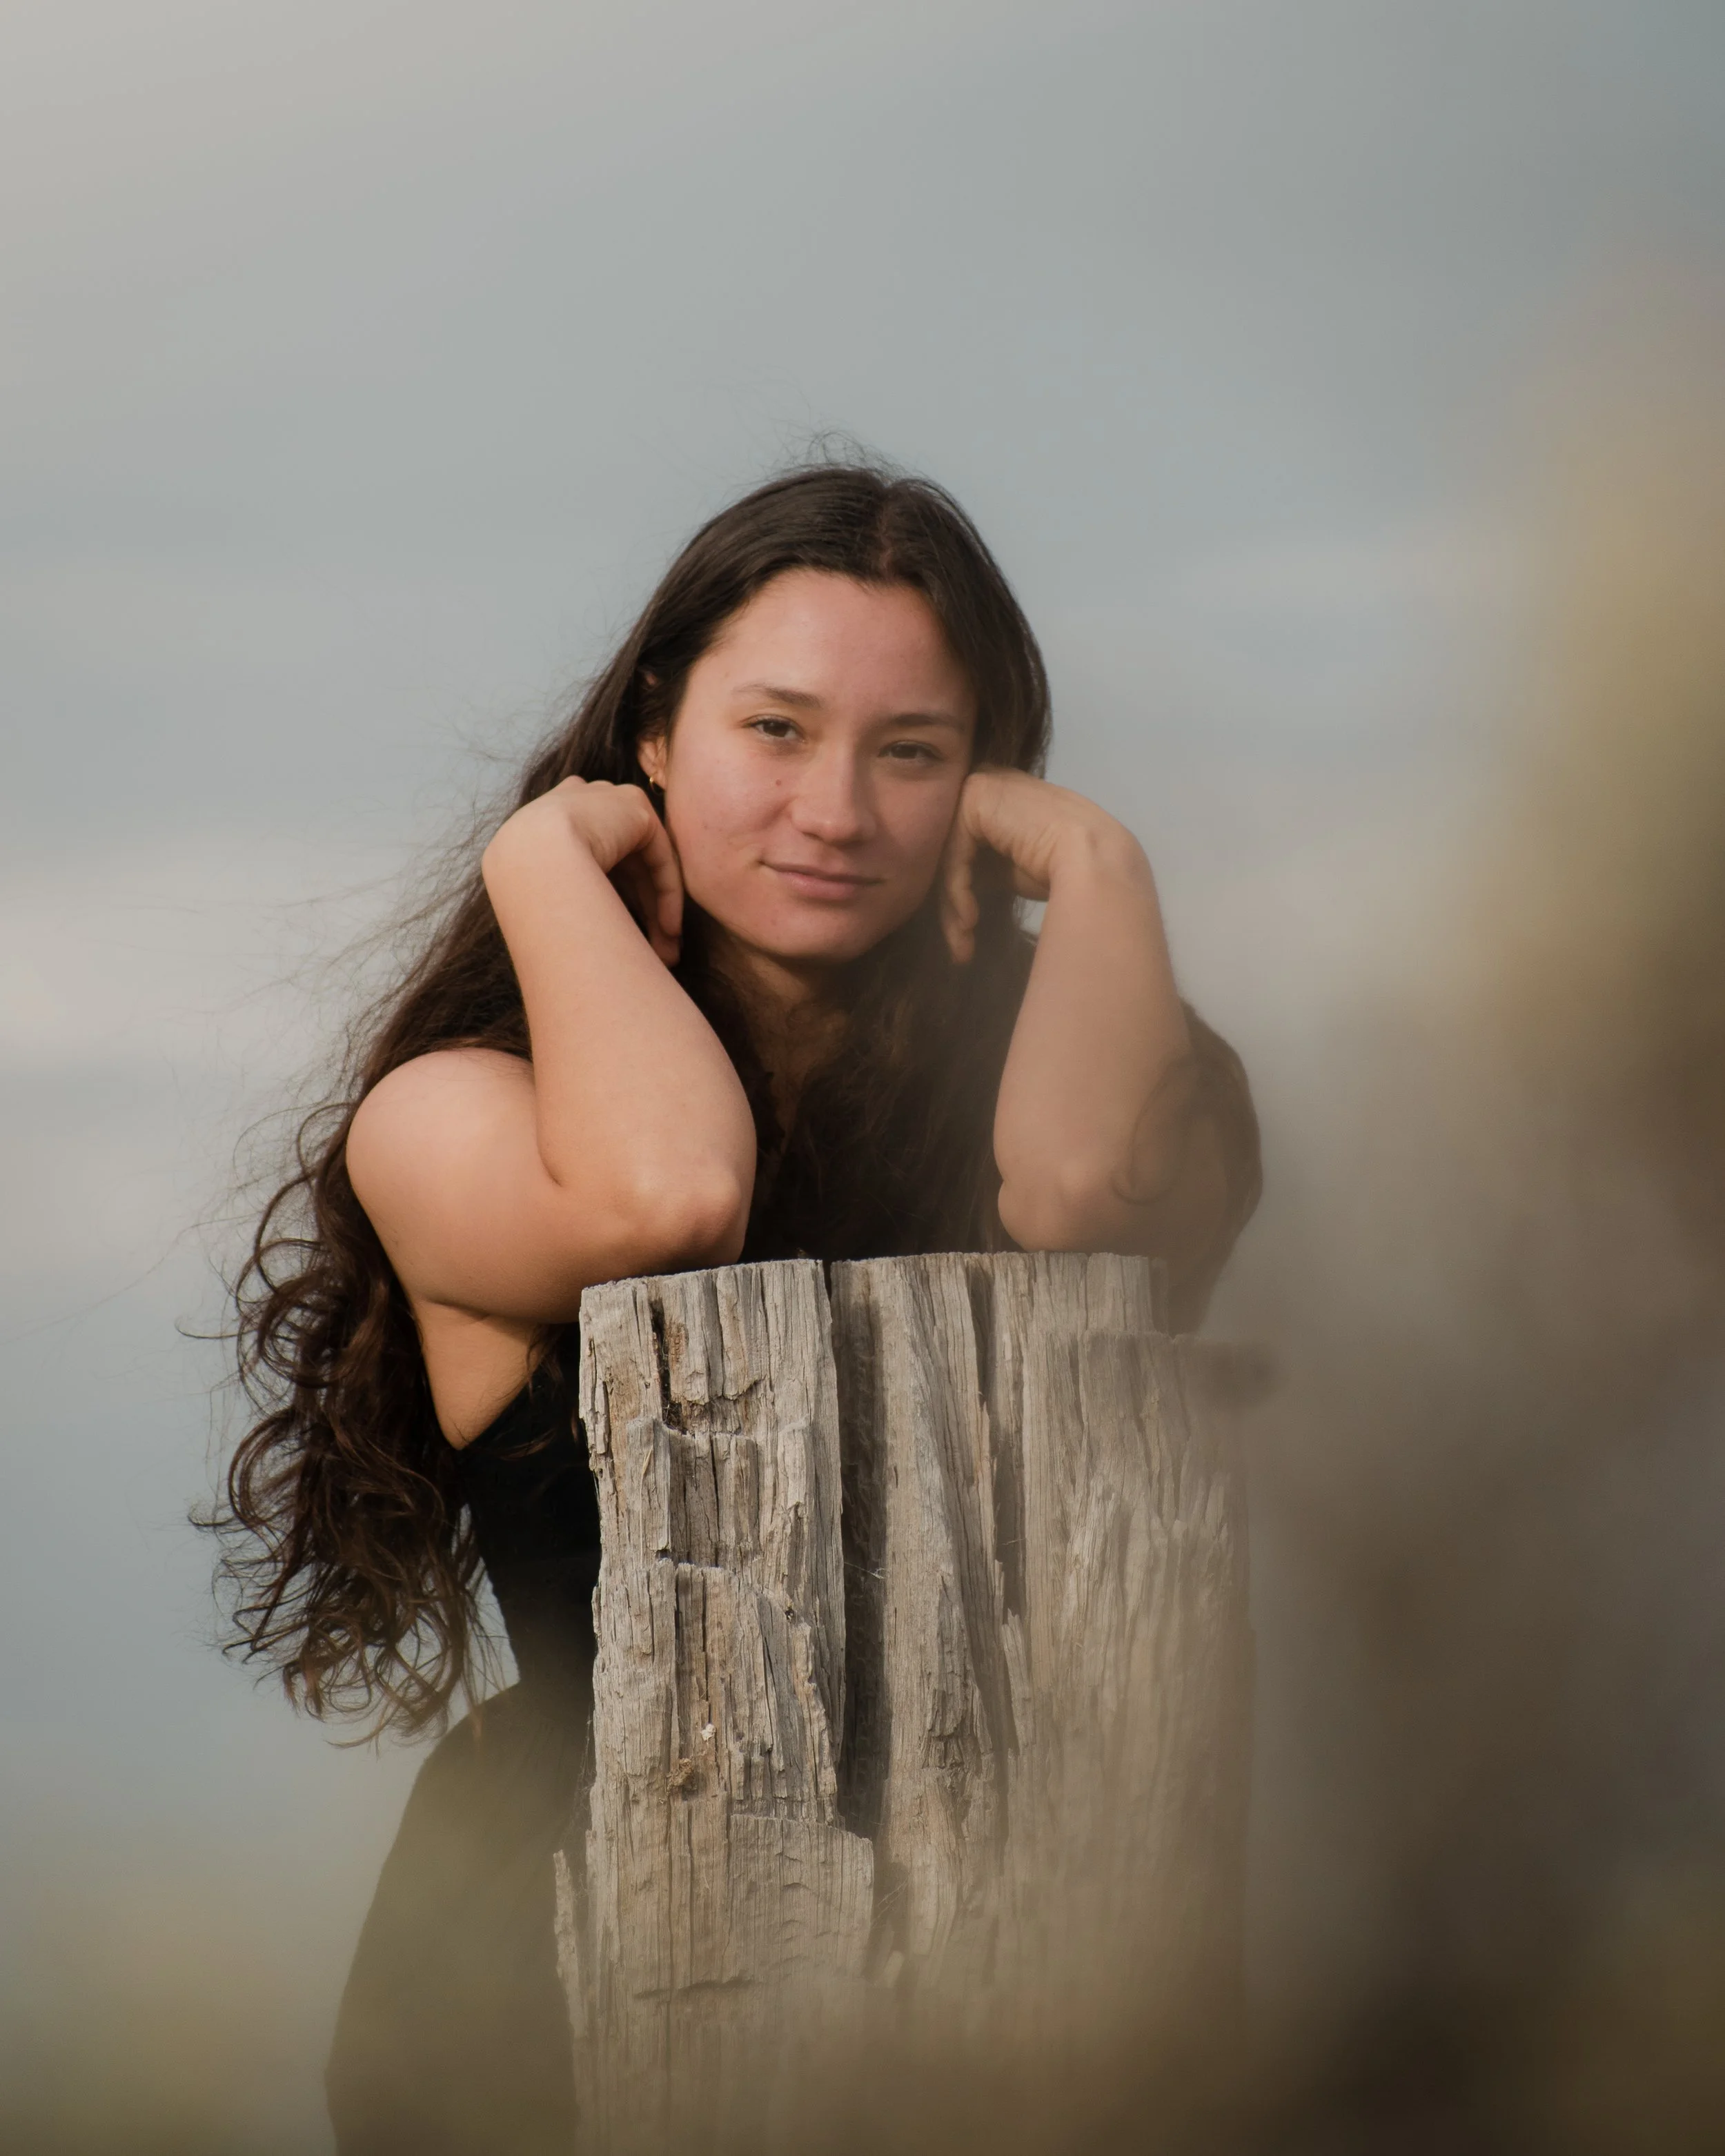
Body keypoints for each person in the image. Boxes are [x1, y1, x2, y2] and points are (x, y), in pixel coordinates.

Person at [215, 462, 1261, 2154]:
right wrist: (546, 861)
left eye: (909, 750)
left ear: (984, 777)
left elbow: (1080, 1207)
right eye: (773, 730)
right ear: (652, 731)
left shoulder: (1107, 1071)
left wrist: (1104, 871)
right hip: (558, 1972)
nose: (835, 809)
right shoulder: (457, 1113)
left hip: (1044, 1935)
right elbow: (666, 1200)